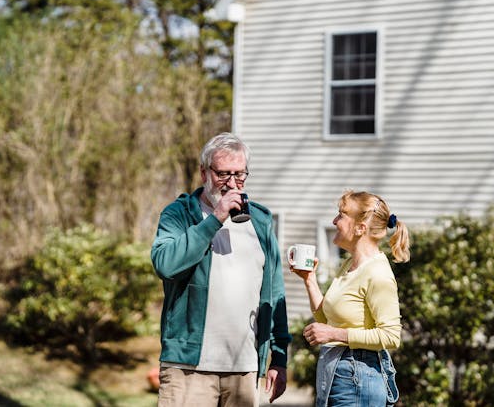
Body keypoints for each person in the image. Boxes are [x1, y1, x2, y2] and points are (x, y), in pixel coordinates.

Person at [150, 132, 291, 407]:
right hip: (188, 367)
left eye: (239, 174)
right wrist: (215, 219)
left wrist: (279, 357)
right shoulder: (178, 214)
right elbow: (165, 264)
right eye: (223, 174)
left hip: (244, 367)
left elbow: (274, 293)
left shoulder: (260, 220)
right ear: (204, 173)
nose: (231, 183)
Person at [291, 190, 410, 407]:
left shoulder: (378, 274)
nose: (334, 221)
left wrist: (333, 334)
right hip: (339, 372)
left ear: (360, 228)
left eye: (341, 214)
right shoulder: (350, 265)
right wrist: (309, 280)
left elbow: (391, 336)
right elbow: (327, 319)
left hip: (359, 379)